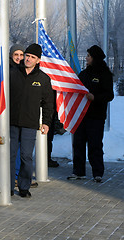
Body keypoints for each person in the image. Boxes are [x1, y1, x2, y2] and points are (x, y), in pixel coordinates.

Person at [9, 43, 54, 198]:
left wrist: (46, 122)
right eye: (26, 56)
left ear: (38, 60)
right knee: (10, 155)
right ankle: (7, 186)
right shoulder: (12, 74)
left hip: (29, 124)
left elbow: (49, 103)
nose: (27, 59)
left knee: (26, 156)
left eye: (32, 57)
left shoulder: (43, 79)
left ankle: (24, 186)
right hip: (12, 122)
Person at [68, 45, 114, 183]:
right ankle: (78, 171)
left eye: (89, 56)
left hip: (96, 117)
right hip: (81, 115)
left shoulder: (104, 74)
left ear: (95, 58)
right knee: (78, 144)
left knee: (95, 145)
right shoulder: (84, 74)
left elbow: (109, 95)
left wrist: (95, 97)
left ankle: (97, 173)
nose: (86, 58)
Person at [9, 44, 39, 188]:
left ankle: (22, 178)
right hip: (12, 119)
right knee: (13, 152)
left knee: (25, 153)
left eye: (22, 55)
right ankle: (14, 177)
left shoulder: (26, 72)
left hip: (27, 120)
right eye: (17, 55)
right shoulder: (10, 72)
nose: (20, 58)